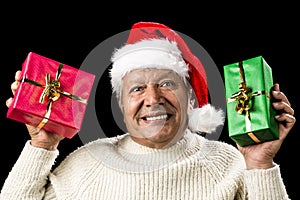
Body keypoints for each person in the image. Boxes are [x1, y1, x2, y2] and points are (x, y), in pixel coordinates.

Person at [0, 21, 296, 200]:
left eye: (167, 83)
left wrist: (259, 164)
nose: (153, 98)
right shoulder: (88, 163)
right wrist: (41, 145)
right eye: (137, 88)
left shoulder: (230, 163)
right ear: (121, 105)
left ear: (191, 98)